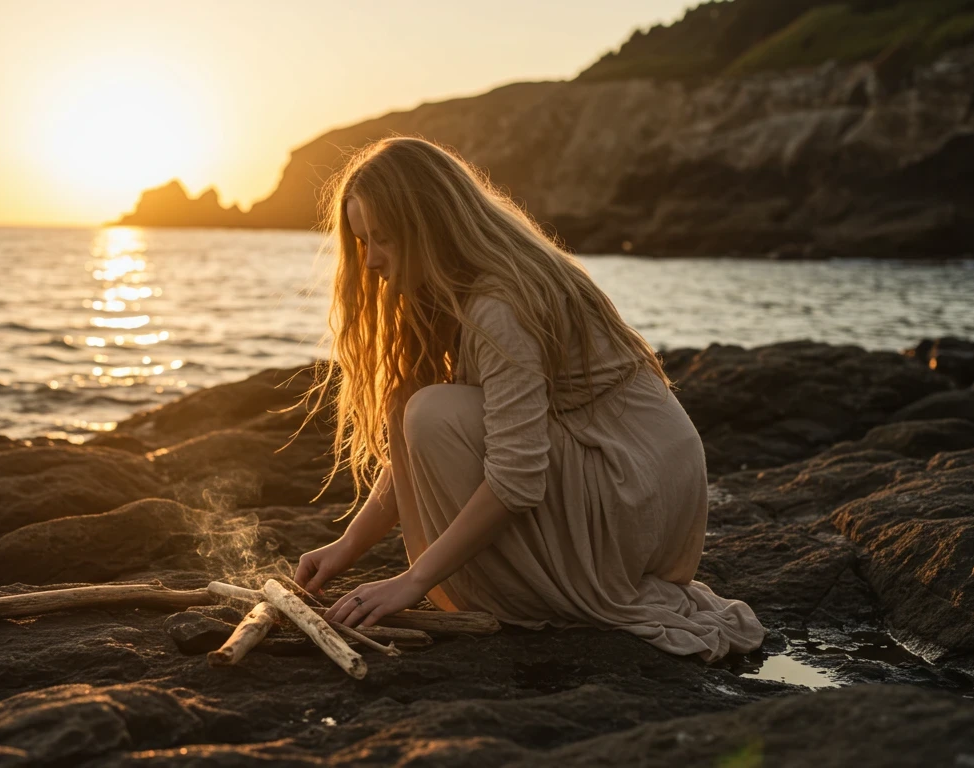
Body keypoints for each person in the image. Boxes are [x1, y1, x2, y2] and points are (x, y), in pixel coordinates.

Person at [288, 136, 766, 662]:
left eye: (384, 239)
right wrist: (348, 546)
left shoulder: (498, 303)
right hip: (635, 479)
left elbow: (517, 477)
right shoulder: (457, 290)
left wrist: (414, 580)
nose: (372, 260)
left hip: (636, 489)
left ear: (430, 225)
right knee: (414, 408)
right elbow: (419, 447)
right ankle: (521, 577)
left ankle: (543, 586)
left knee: (428, 411)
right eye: (363, 242)